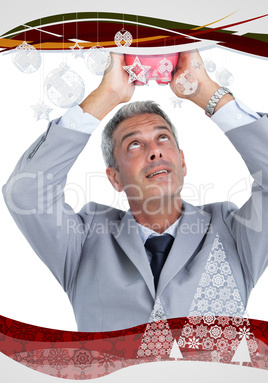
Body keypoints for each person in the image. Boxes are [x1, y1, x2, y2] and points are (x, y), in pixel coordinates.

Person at [2, 50, 268, 332]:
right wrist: (108, 95)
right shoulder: (84, 240)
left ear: (182, 161)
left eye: (162, 138)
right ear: (115, 178)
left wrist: (204, 91)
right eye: (134, 145)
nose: (154, 152)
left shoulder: (232, 231)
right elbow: (25, 193)